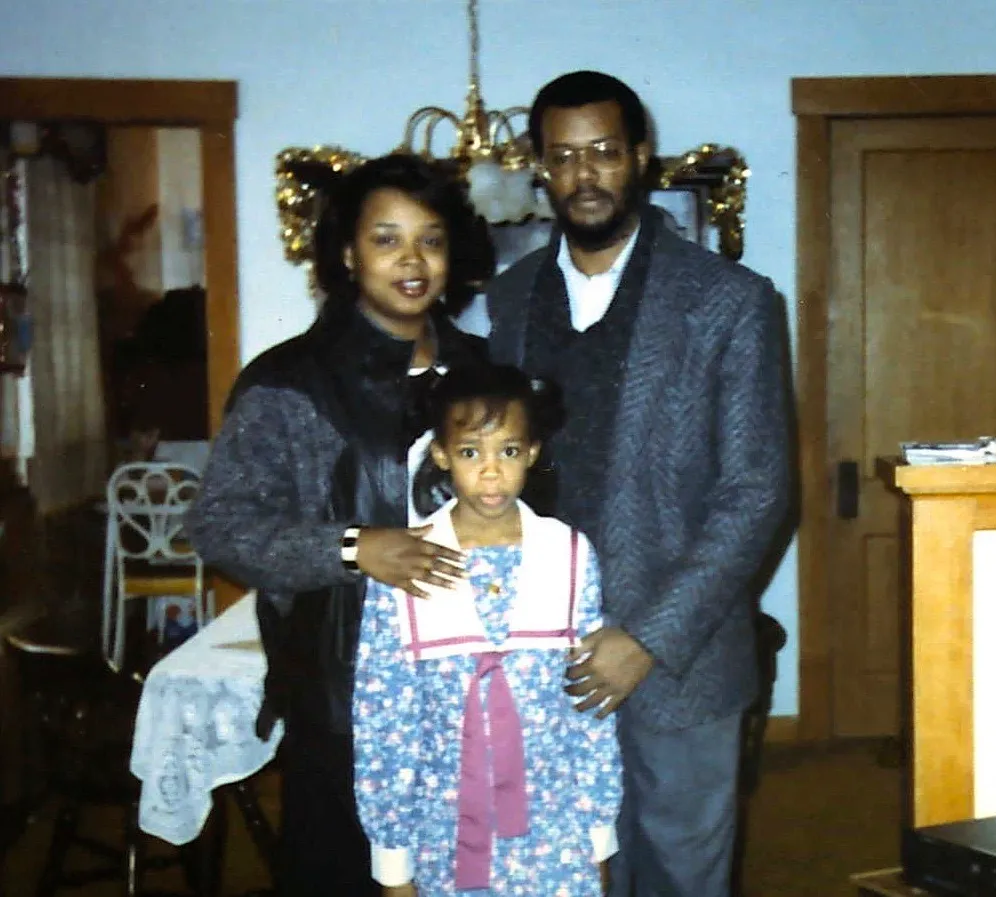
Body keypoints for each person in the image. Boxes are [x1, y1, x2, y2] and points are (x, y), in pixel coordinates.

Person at [485, 71, 792, 897]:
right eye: (563, 156)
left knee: (679, 875)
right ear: (539, 168)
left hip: (679, 661)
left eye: (603, 151)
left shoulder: (730, 300)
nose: (584, 174)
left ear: (640, 158)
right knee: (563, 872)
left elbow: (757, 491)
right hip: (540, 652)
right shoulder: (508, 300)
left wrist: (645, 638)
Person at [186, 153, 493, 896]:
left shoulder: (488, 373)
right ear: (349, 253)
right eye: (387, 239)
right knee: (346, 872)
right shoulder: (289, 380)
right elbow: (220, 523)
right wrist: (355, 547)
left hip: (474, 678)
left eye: (431, 238)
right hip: (343, 690)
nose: (413, 260)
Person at [352, 363, 621, 897]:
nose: (492, 473)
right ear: (441, 455)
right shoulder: (409, 562)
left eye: (510, 452)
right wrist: (393, 865)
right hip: (443, 829)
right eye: (472, 452)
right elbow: (384, 723)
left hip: (553, 830)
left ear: (534, 452)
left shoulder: (567, 554)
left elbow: (589, 707)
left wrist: (597, 838)